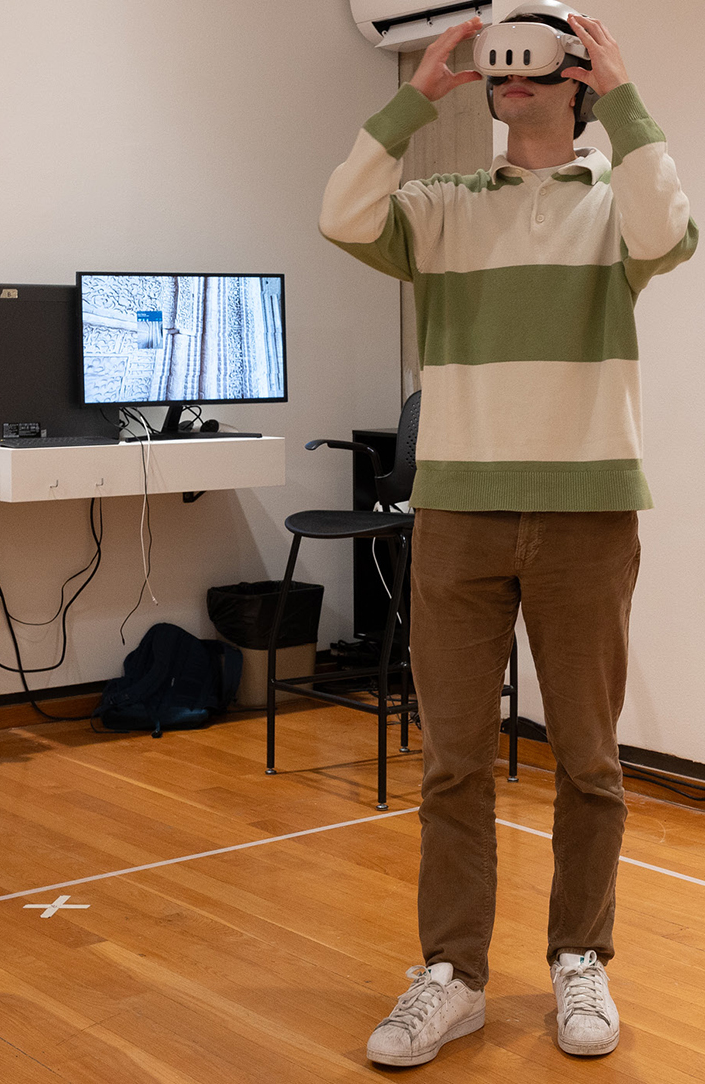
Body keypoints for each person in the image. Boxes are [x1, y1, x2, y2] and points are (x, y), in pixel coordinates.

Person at [318, 1, 696, 1067]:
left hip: (586, 513)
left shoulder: (615, 203)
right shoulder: (440, 205)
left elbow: (668, 227)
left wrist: (624, 97)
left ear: (572, 76)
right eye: (499, 57)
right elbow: (343, 216)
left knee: (587, 759)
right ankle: (451, 977)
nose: (510, 69)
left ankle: (581, 957)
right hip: (456, 513)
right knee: (452, 763)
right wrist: (412, 97)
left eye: (535, 54)